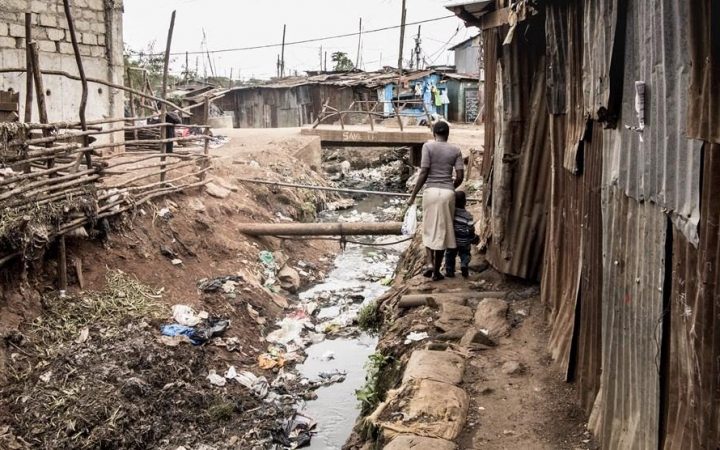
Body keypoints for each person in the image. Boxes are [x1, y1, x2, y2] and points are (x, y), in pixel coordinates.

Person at [407, 121, 464, 281]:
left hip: (430, 192)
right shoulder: (456, 150)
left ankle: (430, 263)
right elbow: (460, 176)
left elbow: (424, 171)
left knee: (428, 227)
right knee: (442, 231)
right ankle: (437, 272)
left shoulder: (428, 147)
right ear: (448, 134)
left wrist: (413, 195)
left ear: (434, 134)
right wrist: (450, 187)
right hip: (447, 194)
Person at [444, 190, 478, 278]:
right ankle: (464, 264)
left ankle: (449, 271)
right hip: (464, 241)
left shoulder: (451, 213)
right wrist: (473, 237)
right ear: (465, 202)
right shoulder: (468, 216)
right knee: (465, 254)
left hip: (452, 240)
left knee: (450, 255)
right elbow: (470, 229)